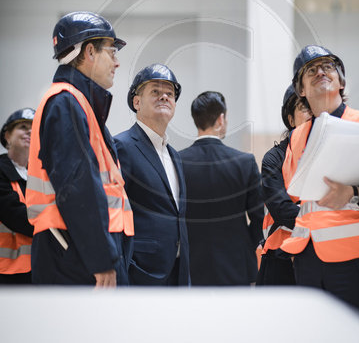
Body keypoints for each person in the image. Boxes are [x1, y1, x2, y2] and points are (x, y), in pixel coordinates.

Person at [279, 45, 359, 322]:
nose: (320, 71)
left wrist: (355, 193)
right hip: (309, 262)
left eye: (328, 66)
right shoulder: (297, 137)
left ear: (342, 81)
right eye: (310, 70)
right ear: (301, 90)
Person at [26, 12, 134, 286]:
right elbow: (78, 187)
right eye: (111, 52)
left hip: (78, 251)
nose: (117, 62)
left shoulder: (78, 105)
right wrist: (101, 260)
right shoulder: (66, 104)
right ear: (89, 52)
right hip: (75, 257)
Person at [114, 63, 190, 286]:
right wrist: (122, 266)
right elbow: (114, 211)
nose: (164, 97)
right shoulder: (121, 146)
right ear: (137, 102)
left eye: (170, 94)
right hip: (140, 270)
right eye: (155, 92)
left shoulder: (174, 155)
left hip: (178, 270)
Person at [179, 91, 264, 286]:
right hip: (237, 264)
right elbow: (259, 217)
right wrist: (244, 245)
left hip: (191, 265)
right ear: (221, 119)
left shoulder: (177, 161)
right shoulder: (244, 162)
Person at [257, 85, 310, 285]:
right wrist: (321, 219)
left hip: (323, 256)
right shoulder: (275, 158)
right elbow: (281, 209)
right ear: (290, 119)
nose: (312, 113)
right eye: (304, 107)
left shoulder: (329, 152)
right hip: (281, 257)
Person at [0, 108, 35, 284]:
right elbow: (14, 215)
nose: (29, 131)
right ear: (7, 136)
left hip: (37, 269)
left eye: (34, 128)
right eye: (22, 126)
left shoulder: (43, 175)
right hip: (6, 272)